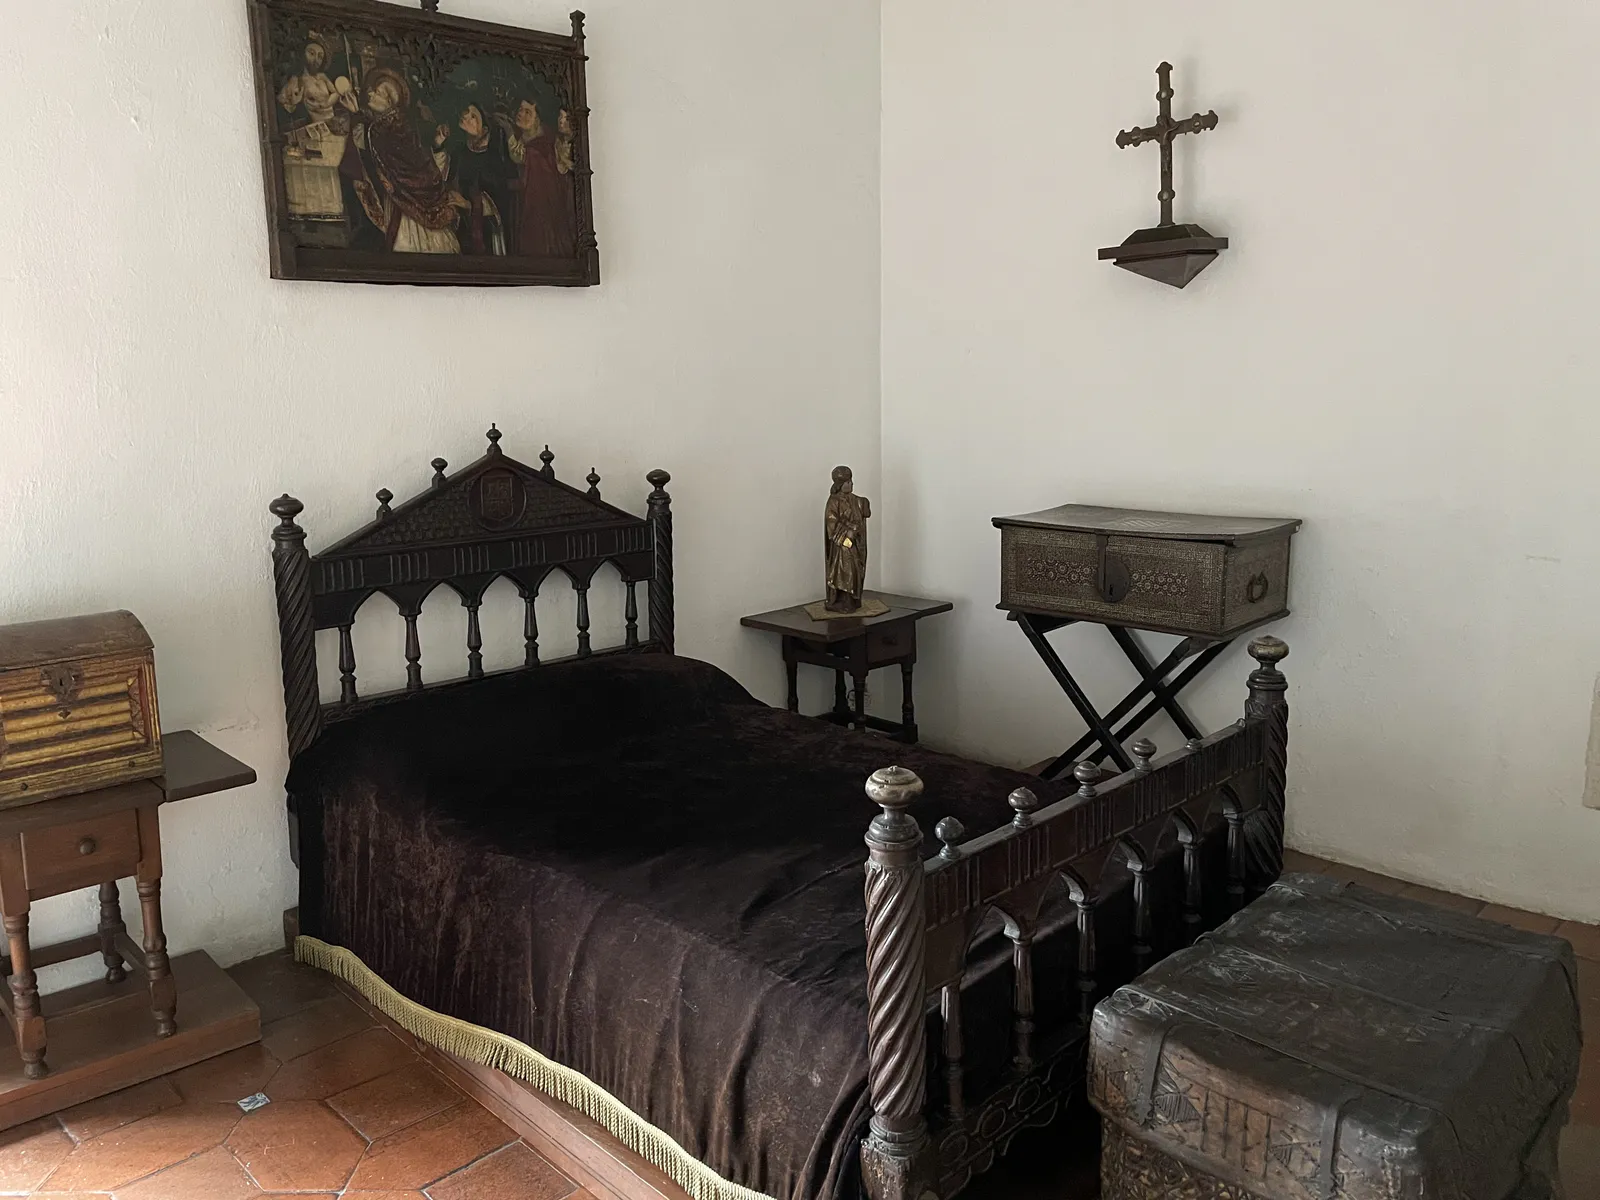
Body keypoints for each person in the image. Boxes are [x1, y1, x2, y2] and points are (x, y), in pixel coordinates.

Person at [340, 69, 464, 254]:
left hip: (404, 201)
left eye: (379, 93)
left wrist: (356, 114)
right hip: (409, 197)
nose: (371, 94)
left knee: (410, 247)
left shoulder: (387, 127)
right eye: (373, 90)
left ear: (390, 101)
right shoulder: (394, 123)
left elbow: (374, 143)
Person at [498, 98, 577, 257]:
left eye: (528, 112)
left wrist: (508, 132)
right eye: (520, 109)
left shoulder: (544, 144)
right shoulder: (522, 136)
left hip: (542, 211)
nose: (521, 114)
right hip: (520, 204)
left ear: (538, 119)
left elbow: (524, 159)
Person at [442, 103, 516, 255]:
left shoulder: (495, 155)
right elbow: (448, 180)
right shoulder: (459, 152)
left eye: (473, 117)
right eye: (465, 115)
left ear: (484, 127)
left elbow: (501, 195)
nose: (467, 118)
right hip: (462, 224)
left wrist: (468, 204)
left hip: (488, 230)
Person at [824, 466, 871, 613]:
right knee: (844, 572)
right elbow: (831, 522)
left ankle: (853, 598)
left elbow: (864, 511)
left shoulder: (855, 500)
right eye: (847, 482)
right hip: (842, 545)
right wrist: (847, 533)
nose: (851, 484)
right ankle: (843, 599)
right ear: (839, 484)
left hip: (855, 544)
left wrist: (864, 503)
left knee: (856, 570)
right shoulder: (833, 501)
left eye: (851, 481)